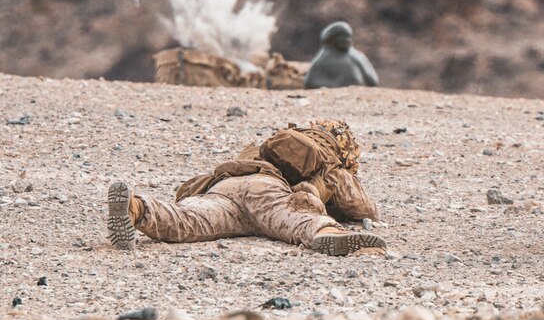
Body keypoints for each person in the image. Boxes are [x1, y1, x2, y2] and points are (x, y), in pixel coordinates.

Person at [107, 120, 386, 256]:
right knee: (295, 218)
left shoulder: (266, 147)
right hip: (266, 190)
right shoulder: (328, 162)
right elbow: (361, 207)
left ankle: (137, 207)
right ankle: (328, 233)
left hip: (224, 187)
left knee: (187, 220)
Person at [304, 21, 379, 89]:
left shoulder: (358, 57)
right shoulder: (323, 60)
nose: (346, 40)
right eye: (342, 37)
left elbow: (372, 80)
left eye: (348, 37)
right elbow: (310, 82)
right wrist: (335, 85)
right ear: (332, 39)